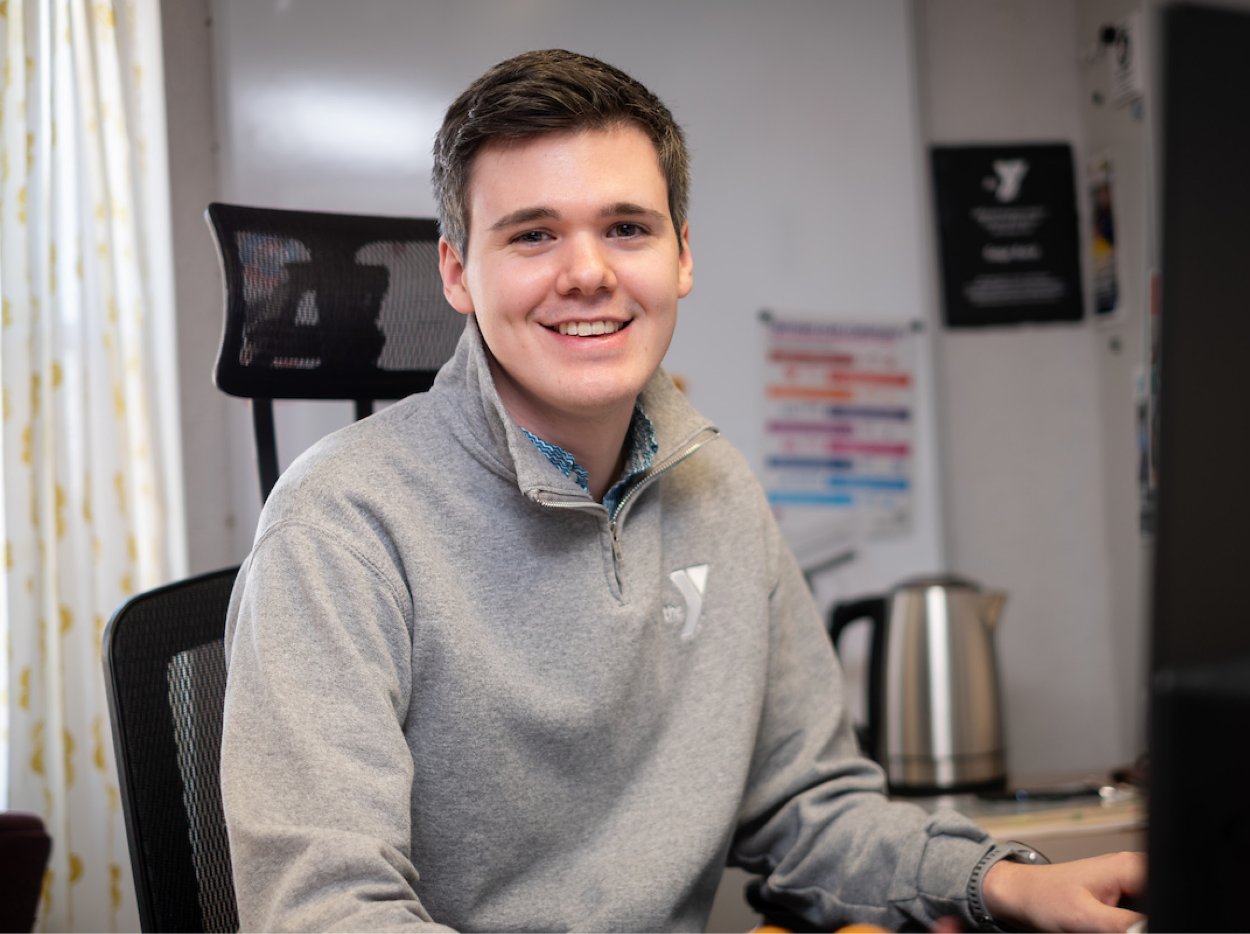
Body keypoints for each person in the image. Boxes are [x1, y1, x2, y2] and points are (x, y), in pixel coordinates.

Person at [220, 49, 1146, 932]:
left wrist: (999, 884)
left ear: (682, 256)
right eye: (533, 234)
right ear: (458, 272)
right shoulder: (338, 525)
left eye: (626, 228)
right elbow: (324, 913)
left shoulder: (717, 490)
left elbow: (813, 814)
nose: (588, 273)